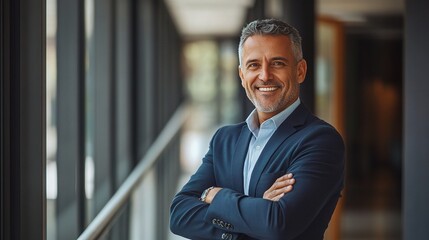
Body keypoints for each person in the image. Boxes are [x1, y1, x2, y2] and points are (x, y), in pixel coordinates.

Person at [170, 18, 345, 240]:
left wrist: (216, 195)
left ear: (300, 71)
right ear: (242, 76)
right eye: (254, 65)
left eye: (277, 63)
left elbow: (278, 224)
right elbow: (179, 215)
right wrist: (258, 210)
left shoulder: (321, 140)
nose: (264, 75)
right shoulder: (225, 140)